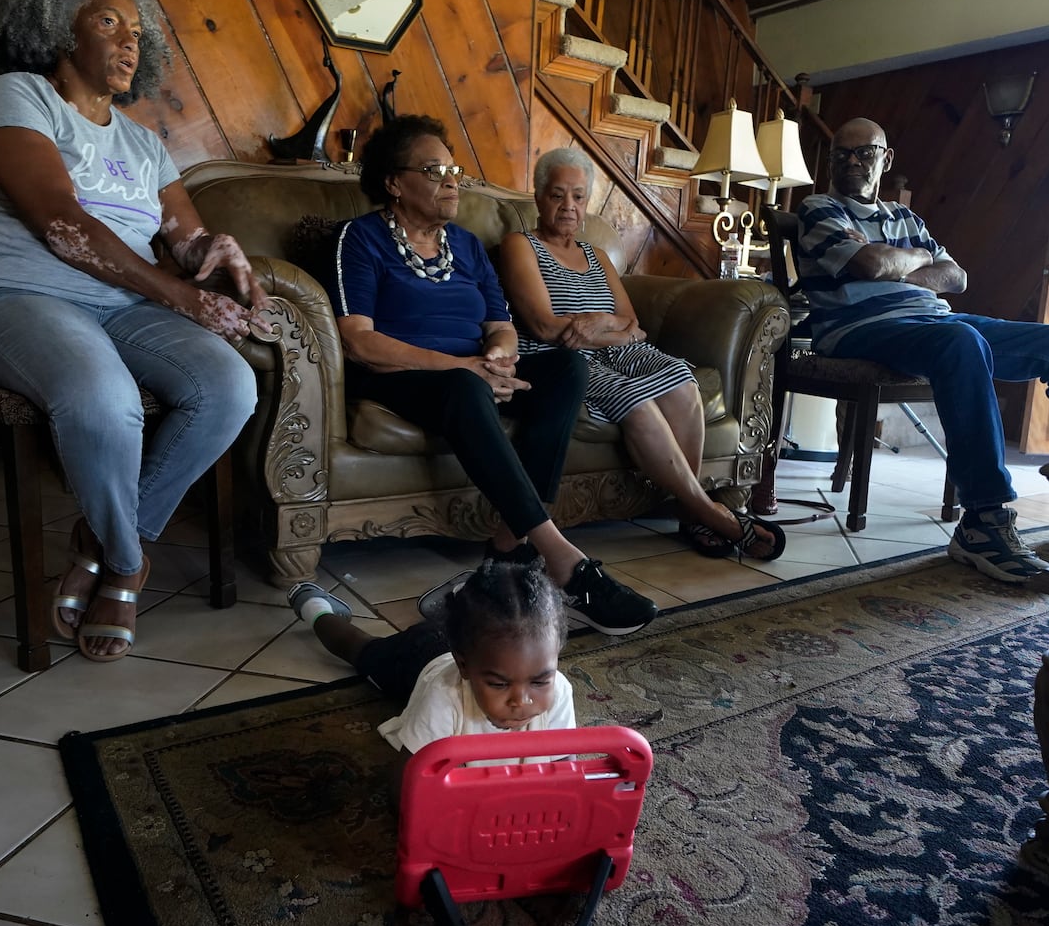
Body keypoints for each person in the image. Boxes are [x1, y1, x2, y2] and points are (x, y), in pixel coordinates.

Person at [0, 0, 267, 660]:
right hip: (10, 297)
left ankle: (103, 540)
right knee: (101, 396)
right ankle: (125, 564)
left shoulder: (144, 143)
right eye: (110, 22)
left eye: (138, 33)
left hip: (118, 305)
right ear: (62, 28)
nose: (130, 43)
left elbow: (182, 240)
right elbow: (61, 223)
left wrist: (216, 255)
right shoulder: (17, 96)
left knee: (229, 385)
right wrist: (180, 296)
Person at [330, 116, 657, 636]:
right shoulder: (361, 238)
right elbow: (359, 339)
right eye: (434, 169)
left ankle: (506, 551)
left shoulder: (465, 244)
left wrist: (499, 360)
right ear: (394, 182)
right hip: (403, 373)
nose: (451, 180)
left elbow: (499, 324)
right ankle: (563, 561)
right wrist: (466, 368)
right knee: (462, 387)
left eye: (453, 168)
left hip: (473, 369)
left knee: (566, 366)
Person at [795, 117, 1049, 583]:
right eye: (840, 154)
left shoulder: (905, 217)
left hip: (935, 321)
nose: (851, 161)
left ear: (885, 160)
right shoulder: (819, 208)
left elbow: (957, 277)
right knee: (960, 340)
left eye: (864, 152)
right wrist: (913, 259)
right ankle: (983, 521)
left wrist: (902, 263)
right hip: (857, 327)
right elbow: (871, 264)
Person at [498, 148, 787, 562]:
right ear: (539, 197)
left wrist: (594, 324)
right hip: (561, 357)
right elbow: (545, 327)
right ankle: (707, 511)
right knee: (637, 401)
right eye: (558, 195)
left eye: (578, 197)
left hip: (616, 347)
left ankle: (687, 513)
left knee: (684, 382)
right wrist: (603, 326)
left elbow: (632, 324)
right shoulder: (520, 246)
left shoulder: (596, 255)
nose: (568, 207)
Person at [286, 563, 574, 776]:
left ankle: (457, 603)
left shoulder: (559, 690)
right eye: (499, 684)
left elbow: (565, 775)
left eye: (540, 681)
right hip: (416, 656)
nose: (521, 701)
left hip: (471, 643)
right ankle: (314, 605)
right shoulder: (443, 695)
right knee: (361, 650)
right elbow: (404, 792)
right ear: (464, 667)